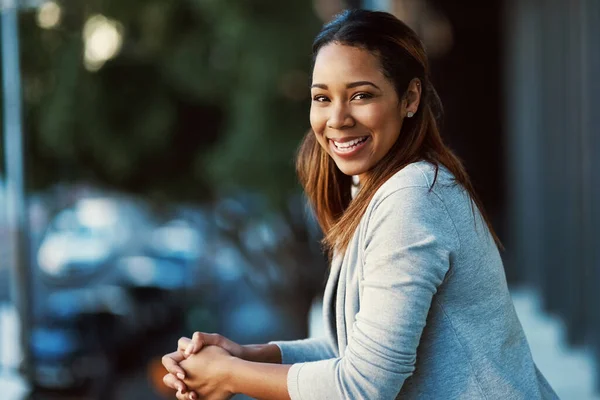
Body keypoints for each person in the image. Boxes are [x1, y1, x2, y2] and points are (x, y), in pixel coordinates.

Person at [161, 9, 559, 400]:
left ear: (410, 98)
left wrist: (231, 375)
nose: (337, 118)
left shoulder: (412, 199)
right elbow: (355, 349)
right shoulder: (374, 189)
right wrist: (249, 355)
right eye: (322, 97)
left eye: (361, 95)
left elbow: (362, 385)